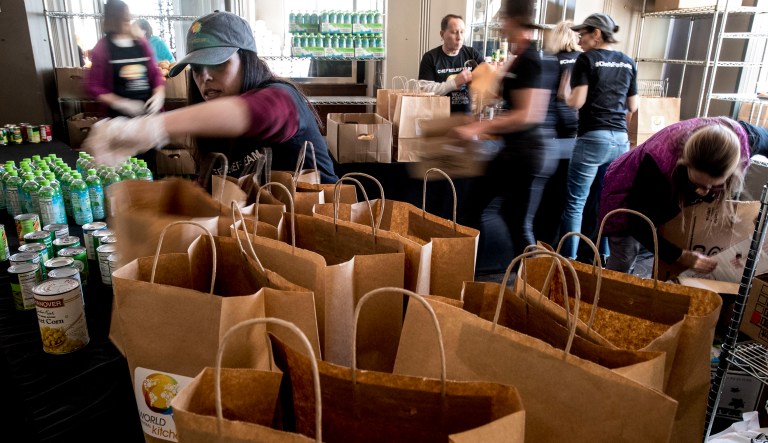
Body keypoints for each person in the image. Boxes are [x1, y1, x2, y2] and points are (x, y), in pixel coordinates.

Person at [82, 11, 338, 185]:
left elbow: (263, 111)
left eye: (218, 64)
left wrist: (148, 127)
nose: (205, 77)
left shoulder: (282, 97)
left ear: (247, 60)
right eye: (197, 69)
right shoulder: (213, 131)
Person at [600, 117, 768, 274]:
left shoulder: (746, 139)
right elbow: (637, 222)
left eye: (714, 186)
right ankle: (605, 293)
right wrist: (680, 255)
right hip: (626, 189)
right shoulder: (657, 162)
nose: (705, 191)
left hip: (666, 189)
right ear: (685, 163)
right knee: (625, 254)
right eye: (699, 185)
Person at [453, 1, 556, 259]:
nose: (500, 26)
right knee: (505, 217)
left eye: (503, 20)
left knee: (484, 211)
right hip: (518, 152)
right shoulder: (522, 58)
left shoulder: (531, 60)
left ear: (515, 21)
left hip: (524, 154)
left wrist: (480, 126)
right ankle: (527, 282)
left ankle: (528, 280)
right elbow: (500, 94)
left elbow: (528, 114)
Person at [559, 13, 638, 260]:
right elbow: (633, 106)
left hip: (593, 138)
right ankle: (601, 257)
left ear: (596, 33)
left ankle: (569, 262)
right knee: (605, 203)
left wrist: (564, 92)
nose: (579, 39)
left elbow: (577, 102)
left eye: (582, 34)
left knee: (575, 204)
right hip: (620, 142)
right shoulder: (628, 61)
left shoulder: (587, 59)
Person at [534, 20, 582, 245]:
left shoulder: (549, 60)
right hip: (575, 138)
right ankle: (563, 251)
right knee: (569, 200)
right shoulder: (582, 61)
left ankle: (541, 245)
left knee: (547, 200)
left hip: (550, 138)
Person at [84, 0, 165, 118]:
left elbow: (155, 73)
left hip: (149, 114)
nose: (127, 20)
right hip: (118, 118)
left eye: (127, 16)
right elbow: (93, 85)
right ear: (112, 19)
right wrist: (120, 103)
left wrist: (158, 94)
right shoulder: (103, 47)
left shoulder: (140, 43)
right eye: (122, 17)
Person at [418, 14, 485, 114]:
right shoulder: (430, 57)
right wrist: (454, 83)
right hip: (439, 117)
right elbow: (425, 90)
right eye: (454, 32)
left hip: (468, 117)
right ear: (442, 34)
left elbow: (487, 78)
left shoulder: (472, 54)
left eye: (462, 32)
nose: (459, 37)